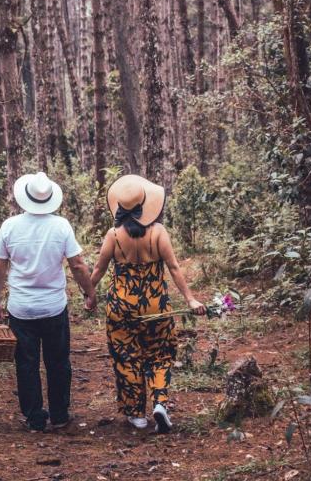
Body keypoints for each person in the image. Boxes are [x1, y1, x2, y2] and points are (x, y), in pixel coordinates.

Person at [90, 174, 205, 433]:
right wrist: (190, 299)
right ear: (144, 206)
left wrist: (89, 294)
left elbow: (98, 269)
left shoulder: (113, 235)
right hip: (156, 306)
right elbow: (174, 268)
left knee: (126, 357)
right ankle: (160, 403)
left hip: (121, 307)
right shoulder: (158, 232)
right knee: (160, 354)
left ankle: (136, 414)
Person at [0, 171, 96, 432]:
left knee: (26, 363)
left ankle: (35, 418)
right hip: (53, 307)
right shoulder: (61, 226)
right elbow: (78, 265)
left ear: (25, 197)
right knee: (58, 362)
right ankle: (59, 415)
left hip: (21, 309)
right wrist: (90, 293)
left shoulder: (10, 226)